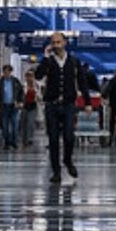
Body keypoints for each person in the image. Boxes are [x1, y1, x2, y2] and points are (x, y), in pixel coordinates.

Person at [37, 32, 89, 183]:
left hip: (68, 104)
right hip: (52, 104)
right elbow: (39, 75)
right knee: (53, 139)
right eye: (53, 43)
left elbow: (82, 81)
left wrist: (87, 102)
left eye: (58, 42)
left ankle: (67, 159)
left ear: (65, 43)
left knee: (68, 136)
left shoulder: (73, 61)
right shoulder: (49, 61)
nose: (56, 45)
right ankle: (56, 171)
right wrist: (45, 58)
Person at [0, 64, 24, 150]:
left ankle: (14, 142)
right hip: (4, 106)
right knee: (5, 126)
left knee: (15, 125)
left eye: (8, 72)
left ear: (11, 72)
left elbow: (21, 93)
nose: (6, 73)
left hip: (14, 106)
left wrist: (21, 102)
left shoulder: (16, 81)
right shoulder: (0, 82)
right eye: (5, 72)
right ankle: (7, 142)